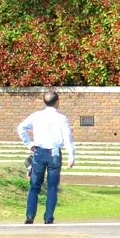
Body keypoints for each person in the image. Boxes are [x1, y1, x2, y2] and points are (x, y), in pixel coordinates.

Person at [17, 90, 76, 224]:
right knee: (52, 187)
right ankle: (48, 217)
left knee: (34, 185)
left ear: (44, 101)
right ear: (57, 102)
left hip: (39, 151)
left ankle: (30, 216)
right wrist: (71, 155)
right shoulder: (62, 118)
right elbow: (67, 138)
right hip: (54, 152)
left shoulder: (36, 116)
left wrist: (29, 143)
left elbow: (21, 128)